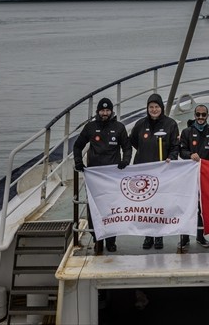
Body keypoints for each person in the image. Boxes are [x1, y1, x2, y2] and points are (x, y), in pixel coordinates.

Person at [72, 96, 131, 254]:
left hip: (113, 177)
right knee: (95, 208)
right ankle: (97, 236)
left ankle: (111, 240)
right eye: (102, 110)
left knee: (113, 208)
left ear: (112, 111)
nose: (105, 113)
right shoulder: (90, 127)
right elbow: (77, 146)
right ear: (98, 111)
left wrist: (125, 161)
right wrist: (78, 162)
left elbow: (127, 147)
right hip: (95, 177)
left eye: (107, 110)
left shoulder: (119, 127)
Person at [131, 93, 180, 249]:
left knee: (160, 205)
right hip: (143, 171)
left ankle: (159, 236)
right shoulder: (140, 124)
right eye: (151, 107)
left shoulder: (170, 124)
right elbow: (134, 142)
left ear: (162, 108)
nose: (154, 110)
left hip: (162, 172)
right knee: (146, 205)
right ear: (147, 108)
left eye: (156, 107)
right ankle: (148, 236)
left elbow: (175, 147)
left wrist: (170, 158)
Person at [177, 104, 209, 248]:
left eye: (203, 115)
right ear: (194, 115)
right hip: (189, 176)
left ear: (207, 116)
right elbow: (181, 151)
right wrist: (189, 155)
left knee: (202, 207)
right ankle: (185, 237)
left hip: (205, 176)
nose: (200, 117)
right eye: (198, 114)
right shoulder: (186, 132)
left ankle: (200, 237)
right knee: (189, 206)